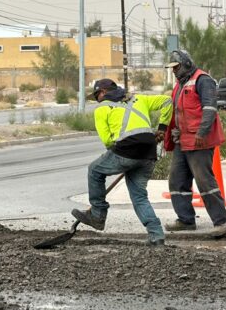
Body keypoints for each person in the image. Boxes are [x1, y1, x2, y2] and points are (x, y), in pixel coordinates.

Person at [71, 79, 172, 246]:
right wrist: (162, 128)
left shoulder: (102, 108)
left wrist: (120, 157)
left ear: (103, 92)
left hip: (126, 151)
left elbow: (107, 140)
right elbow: (167, 101)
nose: (97, 100)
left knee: (95, 170)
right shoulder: (139, 98)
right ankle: (156, 235)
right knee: (139, 197)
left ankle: (97, 215)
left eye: (96, 96)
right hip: (148, 152)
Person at [163, 50, 226, 239]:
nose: (174, 71)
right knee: (177, 181)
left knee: (205, 182)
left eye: (176, 67)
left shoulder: (203, 80)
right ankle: (186, 220)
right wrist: (172, 131)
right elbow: (178, 112)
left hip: (199, 141)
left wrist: (202, 132)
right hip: (182, 141)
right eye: (172, 68)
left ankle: (221, 221)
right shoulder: (180, 84)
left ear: (186, 64)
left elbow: (210, 108)